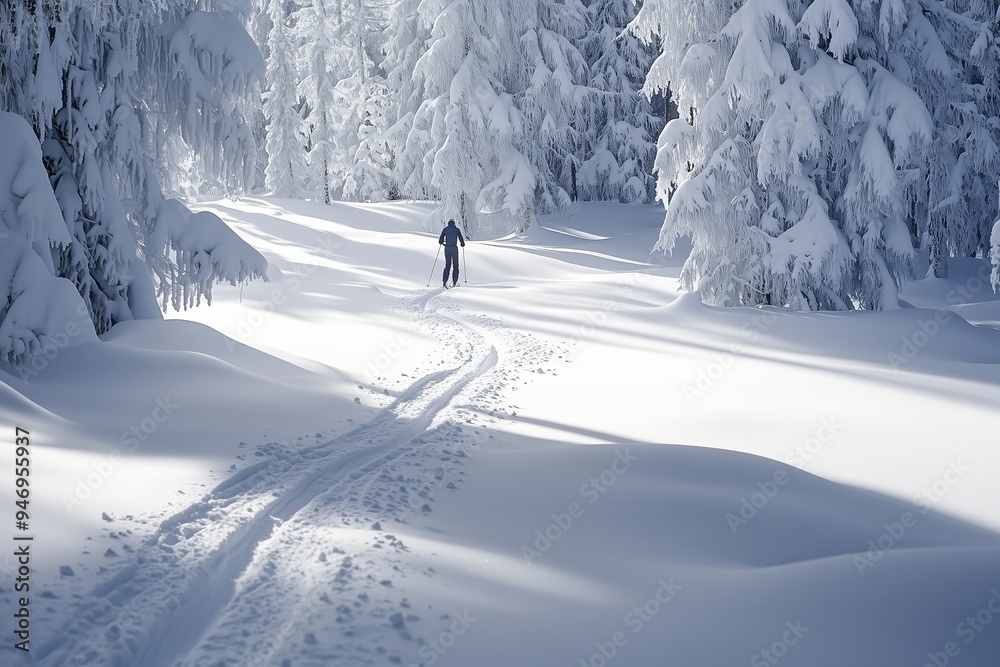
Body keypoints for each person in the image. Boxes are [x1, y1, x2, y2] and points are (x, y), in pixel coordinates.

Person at [438, 219, 465, 287]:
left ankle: (444, 282)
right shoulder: (457, 229)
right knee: (455, 266)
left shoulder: (445, 229)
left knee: (447, 265)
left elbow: (440, 241)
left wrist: (443, 243)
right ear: (454, 224)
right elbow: (461, 239)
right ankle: (454, 282)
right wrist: (462, 244)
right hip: (454, 248)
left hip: (447, 248)